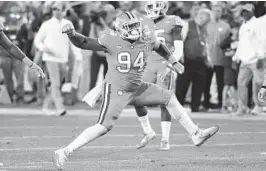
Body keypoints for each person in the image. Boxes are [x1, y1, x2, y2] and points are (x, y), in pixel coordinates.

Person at [53, 11, 220, 170]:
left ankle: (195, 133)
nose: (134, 30)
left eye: (135, 25)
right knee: (104, 126)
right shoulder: (110, 39)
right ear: (120, 29)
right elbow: (84, 42)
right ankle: (65, 151)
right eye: (129, 27)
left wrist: (173, 61)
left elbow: (159, 46)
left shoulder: (146, 38)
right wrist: (72, 34)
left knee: (169, 98)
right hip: (116, 89)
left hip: (137, 87)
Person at [133, 1, 184, 151]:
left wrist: (171, 65)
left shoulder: (172, 21)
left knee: (165, 102)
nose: (148, 9)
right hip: (147, 64)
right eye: (147, 6)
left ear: (162, 6)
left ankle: (165, 139)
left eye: (151, 6)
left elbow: (179, 48)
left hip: (164, 64)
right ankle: (148, 131)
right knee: (137, 98)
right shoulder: (143, 22)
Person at [176, 8, 212, 112]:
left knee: (199, 84)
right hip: (186, 59)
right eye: (206, 20)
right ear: (201, 16)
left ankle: (195, 106)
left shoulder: (203, 28)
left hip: (200, 60)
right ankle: (178, 106)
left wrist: (207, 58)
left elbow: (205, 45)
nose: (207, 23)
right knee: (182, 84)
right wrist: (180, 55)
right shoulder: (187, 25)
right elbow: (179, 40)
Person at [232, 4, 265, 116]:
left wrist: (261, 56)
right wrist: (236, 56)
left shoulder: (258, 23)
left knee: (258, 83)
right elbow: (241, 43)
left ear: (252, 12)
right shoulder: (243, 25)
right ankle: (243, 107)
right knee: (241, 83)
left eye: (246, 11)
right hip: (244, 60)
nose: (244, 13)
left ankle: (259, 106)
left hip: (256, 59)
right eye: (243, 12)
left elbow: (262, 40)